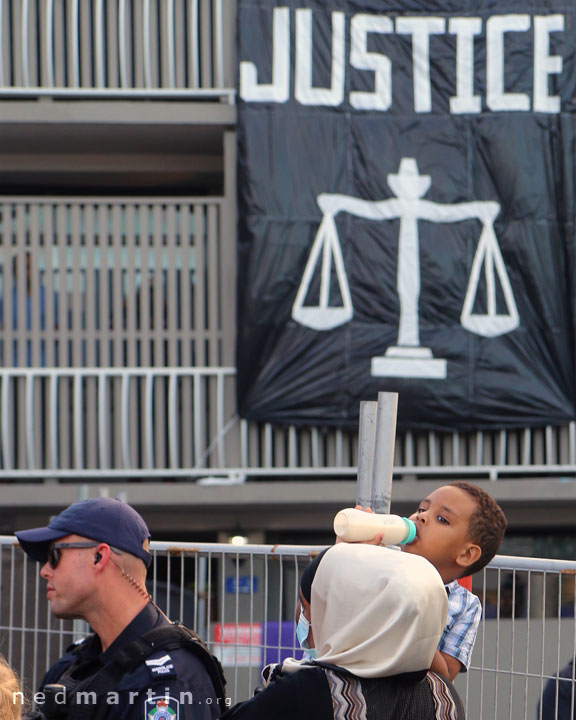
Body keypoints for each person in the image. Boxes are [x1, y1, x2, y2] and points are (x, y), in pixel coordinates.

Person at [15, 497, 226, 720]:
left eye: (54, 555)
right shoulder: (71, 667)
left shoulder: (169, 682)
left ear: (99, 556)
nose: (45, 571)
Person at [221, 543, 465, 720]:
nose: (302, 615)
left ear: (346, 614)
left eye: (307, 605)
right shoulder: (442, 693)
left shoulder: (308, 689)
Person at [397, 481, 507, 680]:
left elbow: (446, 675)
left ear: (466, 554)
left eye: (441, 519)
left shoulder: (465, 605)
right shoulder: (379, 564)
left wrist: (416, 624)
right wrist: (347, 552)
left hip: (408, 699)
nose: (421, 516)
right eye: (422, 508)